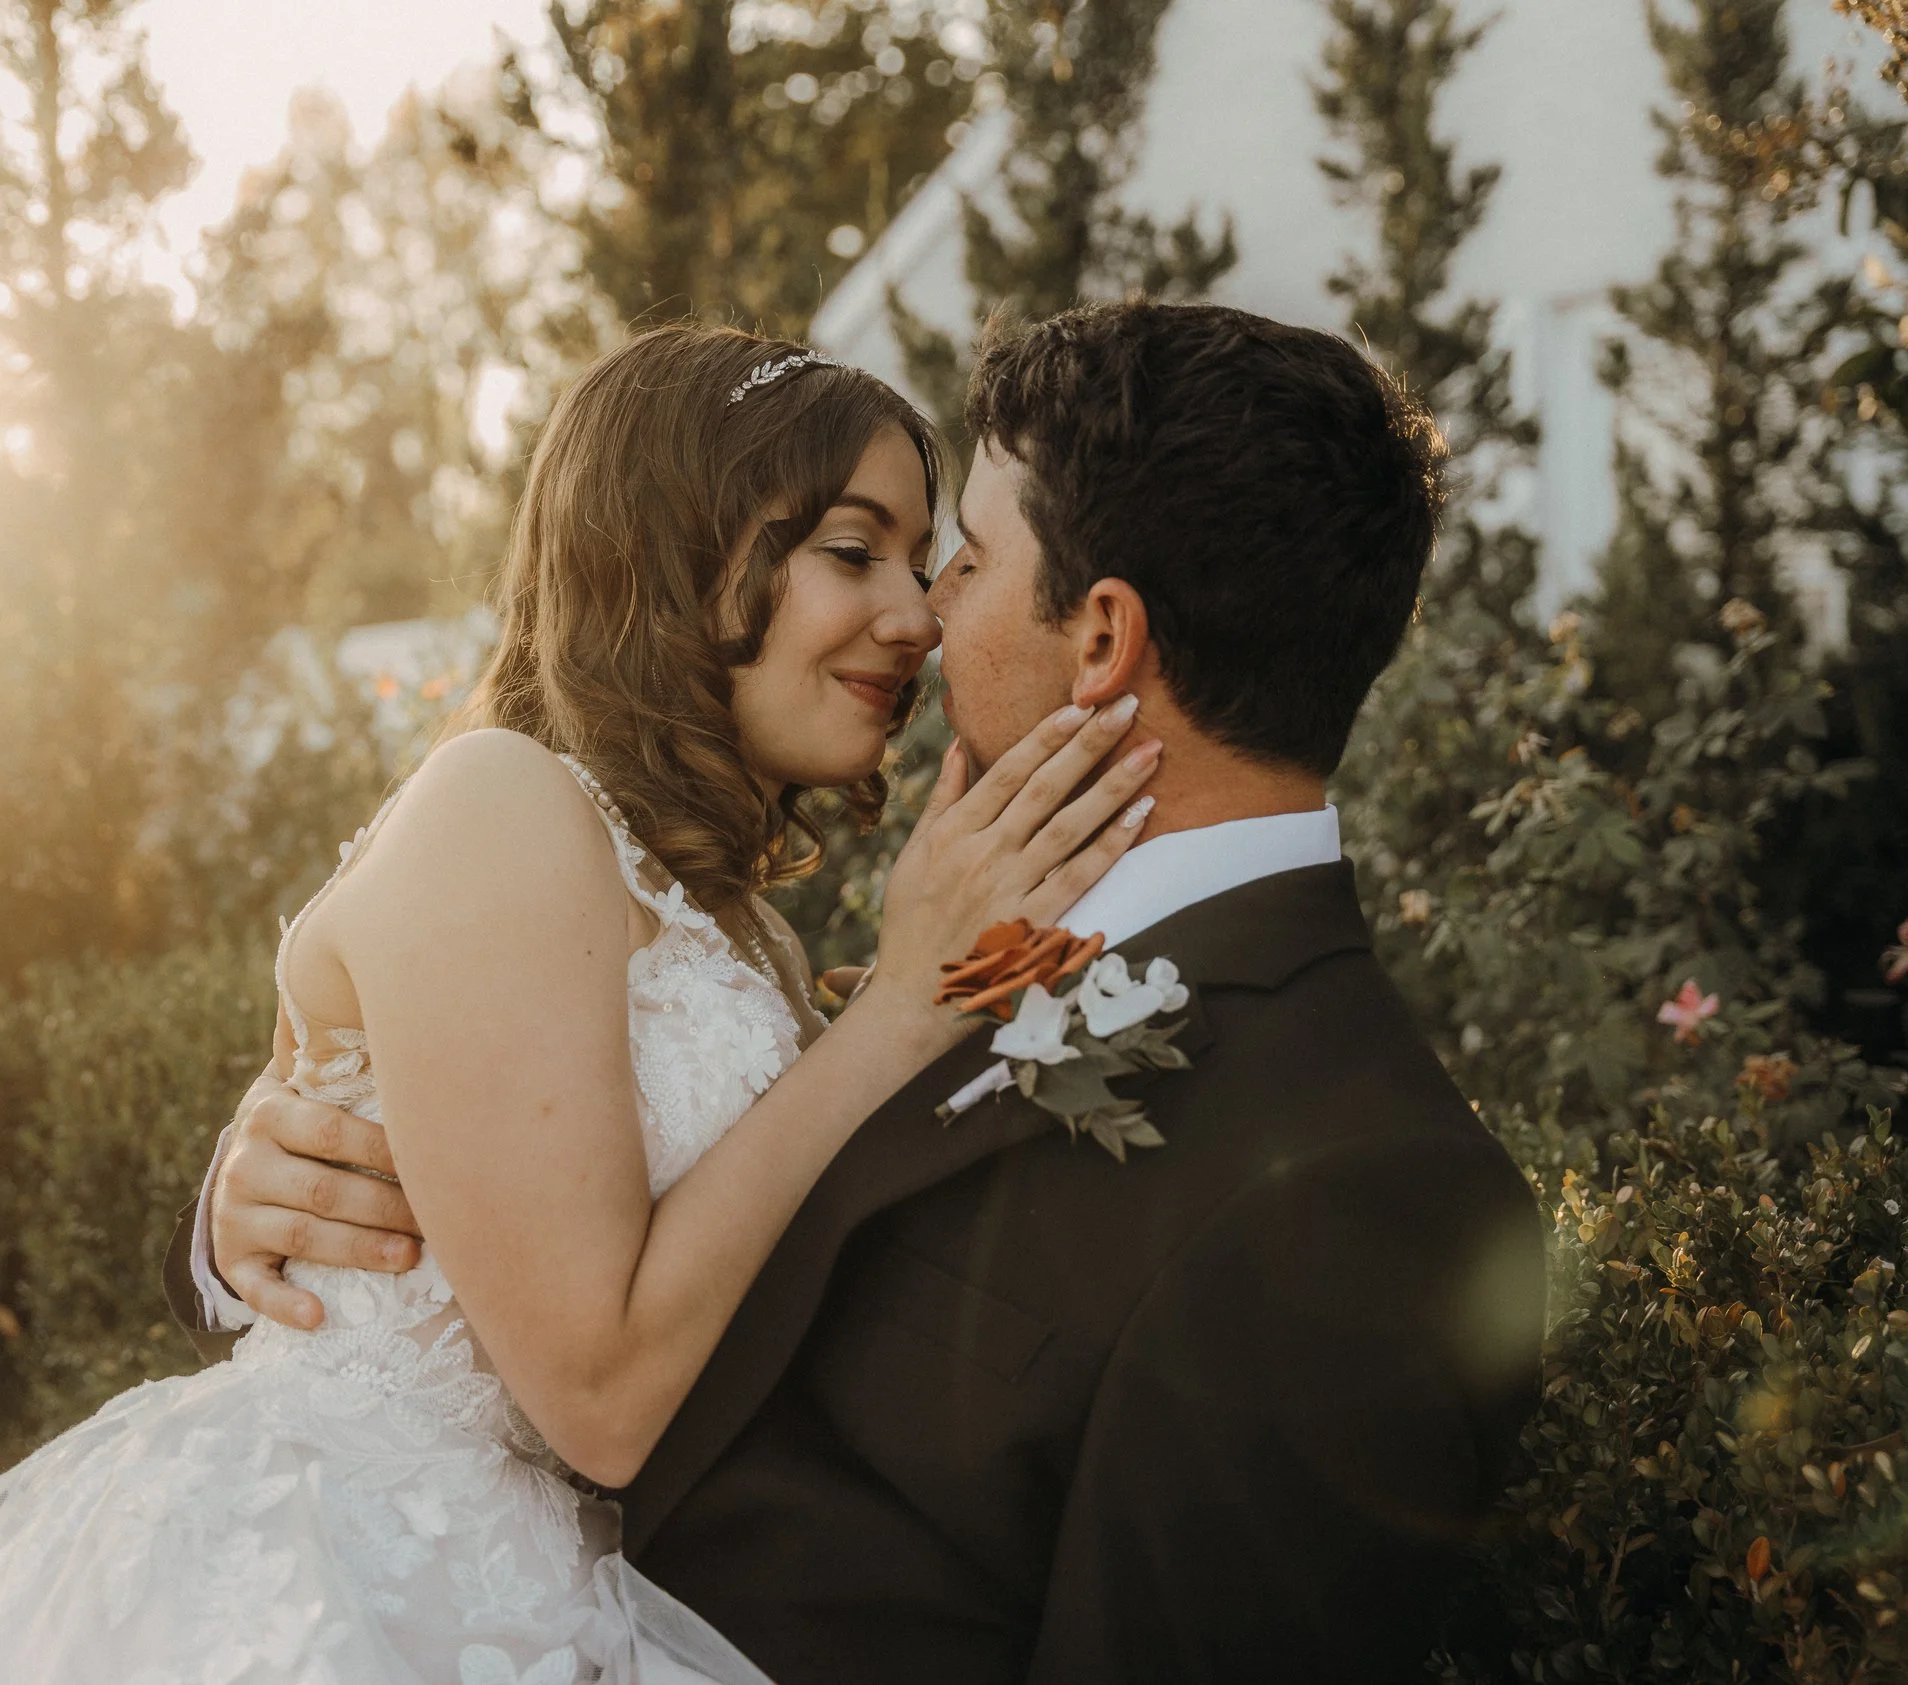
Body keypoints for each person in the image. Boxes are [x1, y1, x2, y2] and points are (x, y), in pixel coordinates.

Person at [172, 302, 1550, 1683]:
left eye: (961, 558)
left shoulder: (1353, 1186)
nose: (922, 614)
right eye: (866, 553)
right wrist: (238, 1233)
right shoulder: (942, 940)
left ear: (1103, 639)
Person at [0, 324, 1160, 1685]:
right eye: (852, 550)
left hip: (599, 1589)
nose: (916, 611)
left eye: (921, 556)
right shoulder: (503, 803)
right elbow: (595, 1396)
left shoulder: (747, 932)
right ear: (673, 555)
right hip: (357, 1599)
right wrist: (902, 1007)